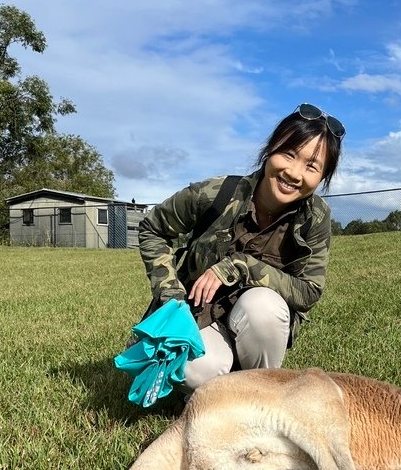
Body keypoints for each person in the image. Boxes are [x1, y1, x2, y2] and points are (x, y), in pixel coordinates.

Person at [137, 103, 345, 392]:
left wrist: (241, 265)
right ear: (271, 149)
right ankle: (223, 387)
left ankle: (262, 396)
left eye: (311, 166)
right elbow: (152, 228)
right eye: (289, 154)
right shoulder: (216, 193)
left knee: (262, 308)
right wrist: (170, 294)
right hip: (200, 317)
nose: (294, 173)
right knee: (192, 368)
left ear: (322, 177)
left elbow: (308, 291)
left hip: (257, 324)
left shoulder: (316, 217)